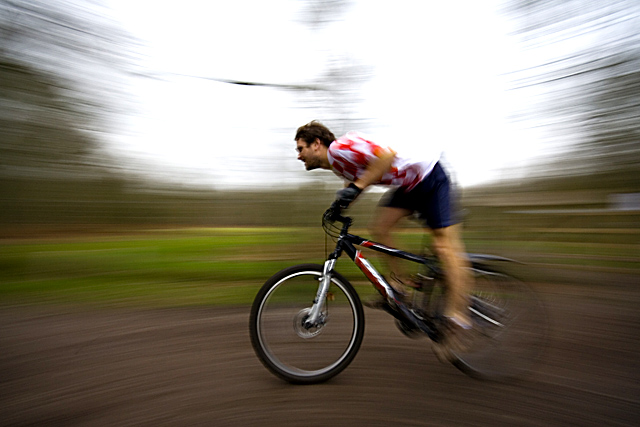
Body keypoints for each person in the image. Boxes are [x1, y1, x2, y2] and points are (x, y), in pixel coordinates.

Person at [294, 120, 473, 359]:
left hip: (429, 177)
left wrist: (356, 188)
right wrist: (339, 205)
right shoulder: (338, 165)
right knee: (380, 227)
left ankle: (457, 317)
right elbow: (358, 180)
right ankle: (398, 289)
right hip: (408, 186)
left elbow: (386, 155)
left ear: (317, 144)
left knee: (444, 246)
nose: (298, 156)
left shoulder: (341, 147)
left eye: (300, 149)